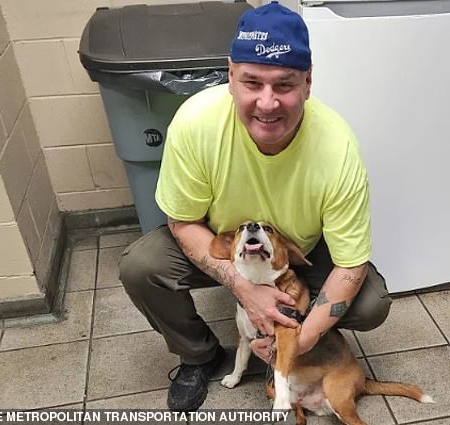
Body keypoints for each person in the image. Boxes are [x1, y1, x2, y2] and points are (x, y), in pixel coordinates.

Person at [119, 1, 392, 412]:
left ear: (308, 82)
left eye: (284, 84)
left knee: (371, 301)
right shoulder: (196, 124)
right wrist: (247, 289)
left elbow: (351, 265)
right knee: (142, 268)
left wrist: (301, 341)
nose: (267, 103)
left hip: (298, 246)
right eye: (252, 83)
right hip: (220, 238)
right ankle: (199, 355)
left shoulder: (337, 148)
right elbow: (182, 222)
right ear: (230, 76)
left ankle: (288, 340)